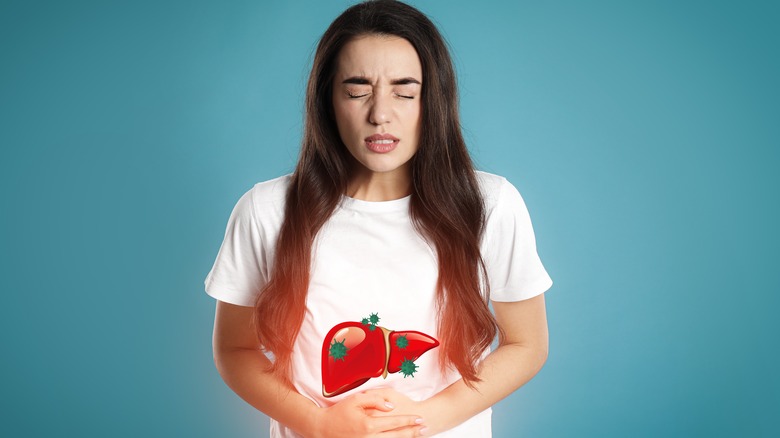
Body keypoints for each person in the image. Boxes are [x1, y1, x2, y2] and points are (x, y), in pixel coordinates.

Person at [204, 1, 552, 436]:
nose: (380, 114)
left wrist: (422, 421)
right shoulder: (267, 210)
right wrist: (318, 423)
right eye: (357, 91)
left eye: (405, 92)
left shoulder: (490, 204)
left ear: (433, 100)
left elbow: (527, 344)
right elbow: (235, 350)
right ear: (328, 100)